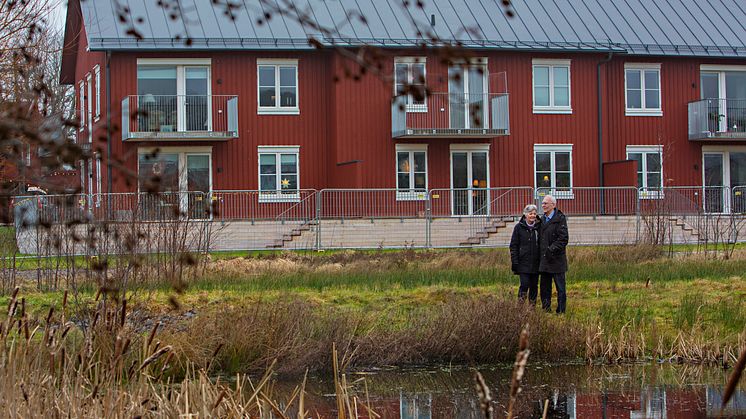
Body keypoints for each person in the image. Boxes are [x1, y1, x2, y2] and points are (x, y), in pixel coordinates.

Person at [539, 194, 569, 314]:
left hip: (557, 260)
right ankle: (546, 309)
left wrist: (551, 249)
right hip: (545, 260)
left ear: (553, 205)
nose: (543, 205)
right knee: (545, 287)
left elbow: (563, 239)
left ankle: (561, 310)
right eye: (543, 203)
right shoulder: (541, 220)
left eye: (546, 203)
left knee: (560, 288)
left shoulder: (560, 219)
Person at [509, 204, 541, 305]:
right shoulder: (519, 227)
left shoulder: (539, 227)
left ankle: (532, 307)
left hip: (536, 263)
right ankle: (521, 307)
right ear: (525, 215)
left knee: (534, 286)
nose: (532, 216)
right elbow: (514, 245)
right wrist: (515, 261)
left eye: (534, 214)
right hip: (523, 262)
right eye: (530, 213)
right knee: (524, 285)